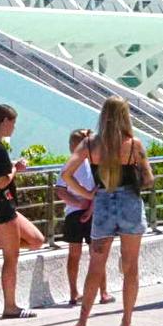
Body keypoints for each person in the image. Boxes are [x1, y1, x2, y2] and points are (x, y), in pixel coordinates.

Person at [70, 99, 154, 326]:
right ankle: (126, 322)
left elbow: (67, 173)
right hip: (129, 202)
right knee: (131, 266)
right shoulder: (134, 144)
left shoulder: (90, 143)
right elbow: (149, 179)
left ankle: (82, 322)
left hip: (104, 201)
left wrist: (88, 193)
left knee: (96, 265)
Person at [0, 104, 45, 319]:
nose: (14, 127)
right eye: (13, 122)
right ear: (4, 121)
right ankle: (10, 306)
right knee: (11, 258)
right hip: (3, 207)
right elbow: (3, 181)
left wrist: (10, 166)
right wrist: (16, 168)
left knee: (36, 239)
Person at [52, 128, 99, 307]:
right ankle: (74, 291)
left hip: (88, 211)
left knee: (96, 253)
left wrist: (88, 206)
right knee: (79, 253)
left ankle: (101, 291)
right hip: (75, 212)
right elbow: (61, 190)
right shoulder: (70, 165)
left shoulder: (92, 165)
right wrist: (81, 204)